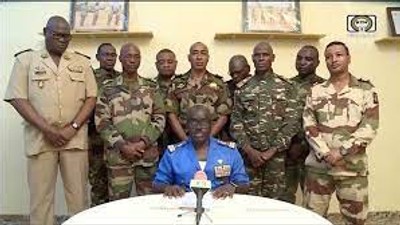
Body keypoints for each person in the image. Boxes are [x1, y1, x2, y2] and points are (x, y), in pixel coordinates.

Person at [4, 16, 97, 225]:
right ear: (45, 32)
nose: (62, 40)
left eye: (66, 36)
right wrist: (48, 130)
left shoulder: (82, 62)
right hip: (40, 138)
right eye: (56, 35)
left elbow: (91, 98)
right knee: (41, 199)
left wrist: (72, 128)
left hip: (74, 140)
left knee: (78, 197)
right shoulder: (26, 60)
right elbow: (17, 98)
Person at [302, 41, 379, 225]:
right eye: (328, 57)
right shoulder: (316, 91)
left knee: (356, 221)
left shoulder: (365, 90)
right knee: (311, 219)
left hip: (352, 168)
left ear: (348, 58)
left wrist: (342, 151)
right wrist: (325, 152)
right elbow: (309, 124)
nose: (333, 60)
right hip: (319, 168)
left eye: (338, 55)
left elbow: (370, 126)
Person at [230, 41, 301, 200]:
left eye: (265, 55)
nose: (261, 58)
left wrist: (271, 151)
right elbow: (236, 123)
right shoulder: (242, 88)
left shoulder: (287, 87)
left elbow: (292, 122)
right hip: (249, 157)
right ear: (252, 59)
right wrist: (249, 150)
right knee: (248, 200)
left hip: (276, 158)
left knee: (275, 202)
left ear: (272, 58)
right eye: (257, 55)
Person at [95, 43, 165, 200]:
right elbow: (102, 121)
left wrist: (142, 143)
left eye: (136, 56)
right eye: (128, 56)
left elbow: (160, 118)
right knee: (117, 205)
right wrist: (123, 146)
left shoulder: (152, 87)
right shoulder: (108, 88)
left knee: (149, 204)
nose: (132, 60)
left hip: (146, 157)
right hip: (118, 157)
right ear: (120, 59)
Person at [153, 104, 249, 199]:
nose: (199, 127)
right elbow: (157, 184)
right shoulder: (173, 154)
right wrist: (168, 188)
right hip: (183, 206)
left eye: (203, 122)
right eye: (194, 122)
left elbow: (244, 184)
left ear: (211, 125)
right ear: (187, 125)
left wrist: (233, 188)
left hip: (220, 206)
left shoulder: (229, 152)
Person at [283, 45, 325, 204]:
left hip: (313, 151)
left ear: (317, 62)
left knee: (313, 200)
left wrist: (302, 144)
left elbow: (324, 121)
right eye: (299, 58)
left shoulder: (323, 87)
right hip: (288, 152)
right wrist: (291, 143)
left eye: (308, 59)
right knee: (285, 198)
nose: (302, 62)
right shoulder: (286, 85)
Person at [165, 42, 232, 142]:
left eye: (203, 53)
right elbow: (171, 115)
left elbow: (224, 115)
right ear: (189, 57)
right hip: (183, 140)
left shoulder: (219, 84)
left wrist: (207, 139)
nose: (199, 57)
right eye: (195, 53)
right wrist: (185, 140)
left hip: (211, 140)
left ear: (208, 58)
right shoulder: (177, 83)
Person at [88, 43, 121, 207]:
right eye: (106, 54)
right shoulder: (89, 77)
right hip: (96, 141)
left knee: (116, 183)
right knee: (98, 182)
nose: (110, 58)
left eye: (113, 55)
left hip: (118, 139)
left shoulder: (122, 78)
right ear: (97, 57)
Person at [221, 55, 252, 142]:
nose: (235, 76)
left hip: (252, 137)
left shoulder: (258, 86)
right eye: (232, 73)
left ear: (248, 69)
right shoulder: (227, 87)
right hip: (231, 137)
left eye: (238, 72)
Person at [154, 48, 178, 151]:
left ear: (176, 64)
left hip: (179, 137)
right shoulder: (149, 87)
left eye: (170, 62)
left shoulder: (184, 85)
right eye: (162, 62)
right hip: (156, 139)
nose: (166, 65)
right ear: (156, 65)